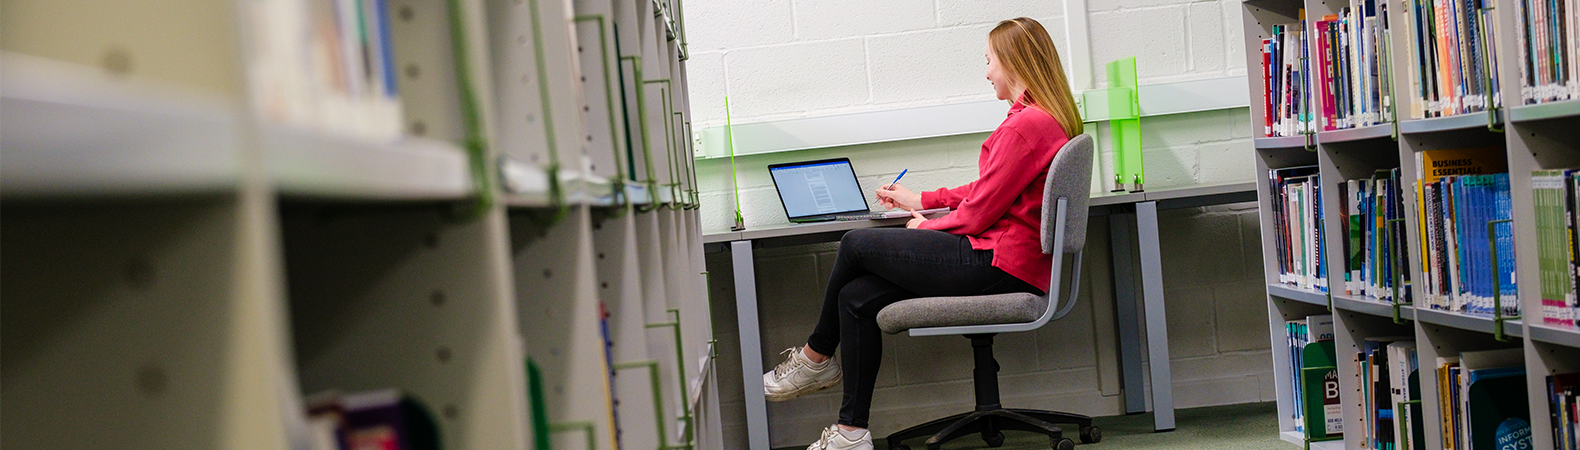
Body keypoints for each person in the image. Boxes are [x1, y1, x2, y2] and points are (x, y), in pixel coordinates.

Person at [762, 17, 1087, 450]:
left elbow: (978, 213)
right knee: (854, 297)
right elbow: (989, 189)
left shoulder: (1024, 126)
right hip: (1010, 261)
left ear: (1013, 62)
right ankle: (851, 433)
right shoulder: (1044, 119)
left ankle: (815, 357)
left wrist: (928, 225)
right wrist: (922, 199)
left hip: (1000, 263)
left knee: (855, 243)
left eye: (989, 61)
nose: (987, 71)